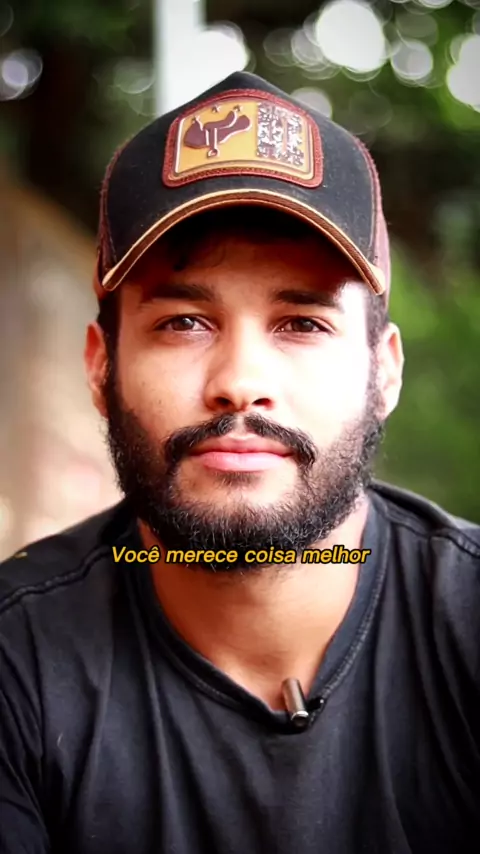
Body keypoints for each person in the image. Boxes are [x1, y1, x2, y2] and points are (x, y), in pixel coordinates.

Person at [0, 70, 479, 854]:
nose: (240, 382)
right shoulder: (16, 657)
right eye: (184, 322)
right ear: (100, 366)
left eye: (302, 323)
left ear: (385, 370)